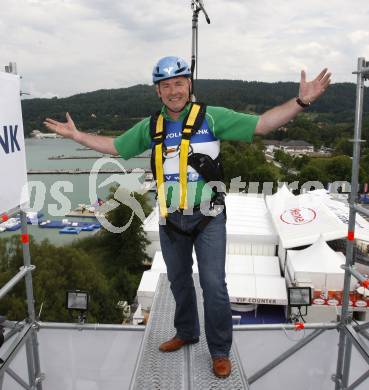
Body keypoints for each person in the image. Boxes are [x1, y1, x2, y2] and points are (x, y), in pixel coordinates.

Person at [44, 56, 331, 378]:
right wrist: (78, 136)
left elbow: (263, 124)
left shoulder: (211, 118)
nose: (173, 91)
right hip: (171, 219)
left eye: (178, 83)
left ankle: (220, 350)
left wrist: (302, 101)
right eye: (165, 86)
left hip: (208, 216)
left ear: (189, 85)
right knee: (179, 283)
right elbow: (116, 146)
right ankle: (186, 332)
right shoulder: (152, 126)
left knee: (213, 286)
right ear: (158, 92)